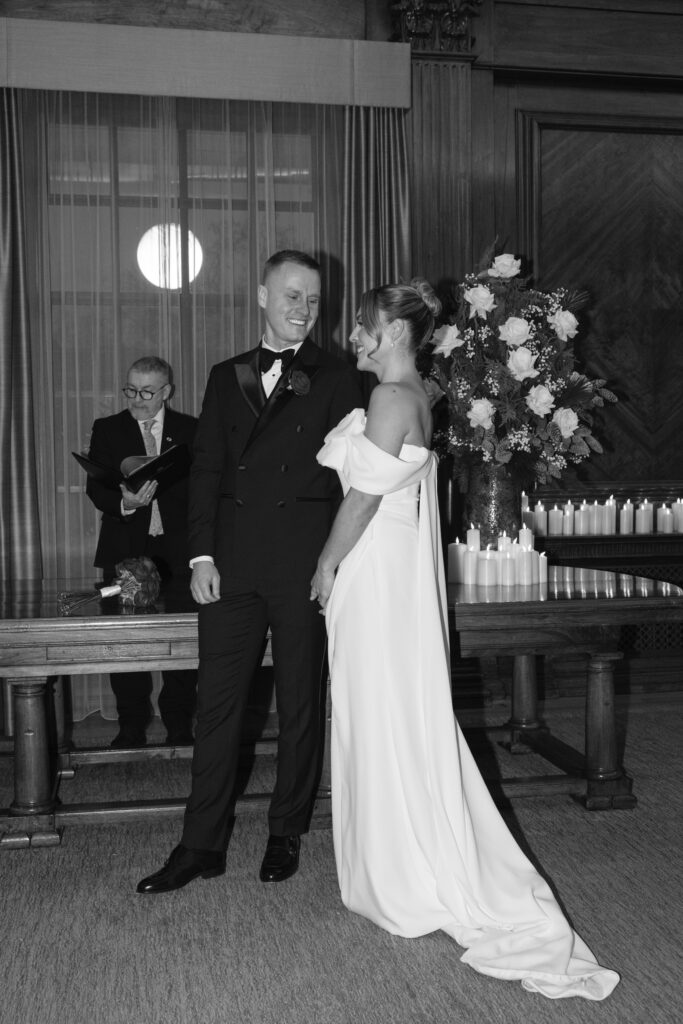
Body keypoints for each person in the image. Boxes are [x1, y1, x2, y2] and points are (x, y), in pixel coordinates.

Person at [309, 279, 620, 1000]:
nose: (352, 337)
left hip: (373, 569)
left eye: (361, 327)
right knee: (387, 708)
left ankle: (403, 871)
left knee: (378, 707)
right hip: (387, 569)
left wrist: (325, 563)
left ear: (392, 332)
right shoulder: (416, 394)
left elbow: (361, 500)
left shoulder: (391, 399)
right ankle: (398, 858)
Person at [136, 250, 363, 895]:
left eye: (314, 299)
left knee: (299, 704)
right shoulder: (224, 374)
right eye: (292, 296)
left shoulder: (339, 377)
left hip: (304, 566)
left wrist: (336, 564)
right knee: (218, 708)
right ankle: (200, 844)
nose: (303, 309)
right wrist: (200, 555)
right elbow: (207, 468)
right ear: (261, 296)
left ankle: (285, 831)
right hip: (230, 566)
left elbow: (357, 483)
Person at [86, 356, 198, 747]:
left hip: (179, 553)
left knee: (183, 644)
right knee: (124, 643)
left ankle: (179, 724)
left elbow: (203, 491)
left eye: (147, 392)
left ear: (166, 391)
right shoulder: (108, 429)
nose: (137, 399)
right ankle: (131, 726)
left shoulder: (190, 430)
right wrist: (125, 503)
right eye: (130, 390)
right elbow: (95, 487)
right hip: (124, 549)